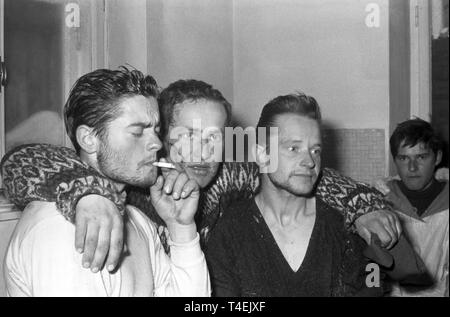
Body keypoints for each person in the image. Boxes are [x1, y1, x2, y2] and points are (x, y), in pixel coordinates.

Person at [1, 80, 401, 274]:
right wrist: (89, 191)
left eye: (214, 138)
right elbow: (20, 163)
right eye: (189, 136)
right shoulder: (138, 180)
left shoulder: (225, 175)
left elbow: (298, 170)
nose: (203, 151)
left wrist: (361, 206)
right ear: (162, 135)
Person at [2, 67, 210, 297]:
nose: (157, 144)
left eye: (156, 130)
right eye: (138, 131)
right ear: (89, 139)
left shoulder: (138, 221)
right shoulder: (66, 227)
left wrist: (181, 228)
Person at [205, 93, 414, 297]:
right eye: (293, 148)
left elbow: (372, 284)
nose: (309, 161)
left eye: (315, 150)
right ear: (262, 155)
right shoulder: (229, 230)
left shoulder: (347, 227)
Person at [376, 119, 448, 297]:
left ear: (437, 157)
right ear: (395, 160)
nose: (412, 167)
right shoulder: (378, 201)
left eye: (421, 157)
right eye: (404, 158)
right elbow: (370, 270)